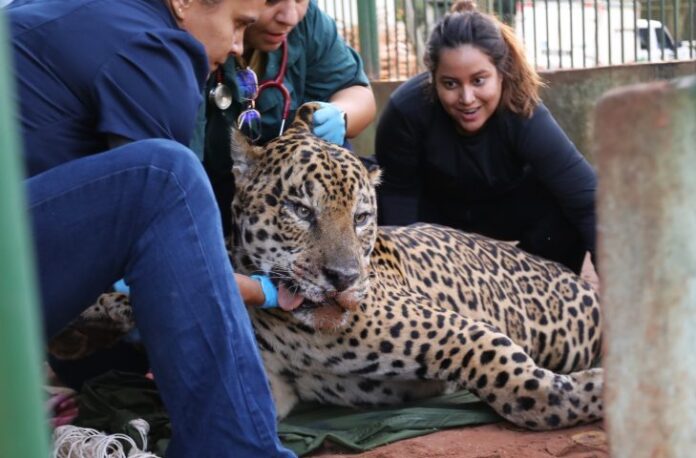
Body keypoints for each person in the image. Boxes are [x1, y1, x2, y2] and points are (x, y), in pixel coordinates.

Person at [7, 0, 295, 456]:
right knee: (166, 176)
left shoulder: (76, 12)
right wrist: (260, 292)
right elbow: (168, 232)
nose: (238, 47)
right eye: (237, 24)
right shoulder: (155, 44)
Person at [375, 0, 597, 274]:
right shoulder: (405, 111)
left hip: (506, 210)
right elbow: (398, 199)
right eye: (450, 84)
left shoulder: (522, 112)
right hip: (434, 218)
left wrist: (620, 282)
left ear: (501, 74)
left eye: (479, 80)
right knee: (369, 192)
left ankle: (539, 285)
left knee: (570, 203)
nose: (467, 98)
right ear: (433, 78)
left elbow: (587, 200)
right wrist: (411, 274)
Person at [193, 0, 376, 235]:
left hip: (301, 212)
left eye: (300, 0)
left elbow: (359, 94)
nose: (289, 17)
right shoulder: (199, 26)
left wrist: (340, 113)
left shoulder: (308, 24)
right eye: (271, 0)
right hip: (207, 199)